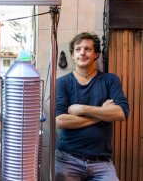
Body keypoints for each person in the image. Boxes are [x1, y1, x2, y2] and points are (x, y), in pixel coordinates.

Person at [55, 32, 129, 180]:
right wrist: (103, 113)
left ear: (96, 54)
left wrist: (80, 109)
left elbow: (121, 113)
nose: (82, 52)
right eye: (78, 49)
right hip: (67, 159)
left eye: (87, 49)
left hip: (101, 161)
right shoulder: (62, 83)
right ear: (72, 55)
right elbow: (60, 121)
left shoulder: (110, 80)